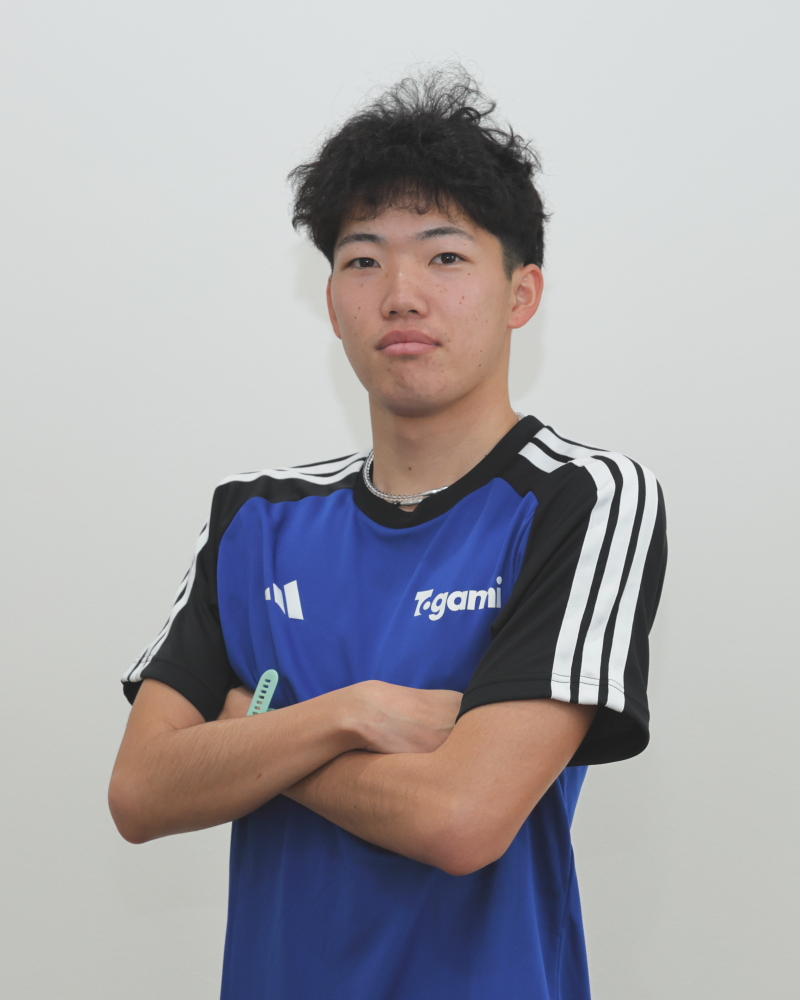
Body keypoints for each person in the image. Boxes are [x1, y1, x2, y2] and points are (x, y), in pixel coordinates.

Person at [109, 70, 667, 1000]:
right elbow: (139, 791)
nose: (401, 294)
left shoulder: (583, 498)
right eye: (363, 261)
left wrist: (253, 733)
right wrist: (348, 713)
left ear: (521, 292)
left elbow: (461, 819)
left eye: (445, 256)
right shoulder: (256, 518)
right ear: (332, 304)